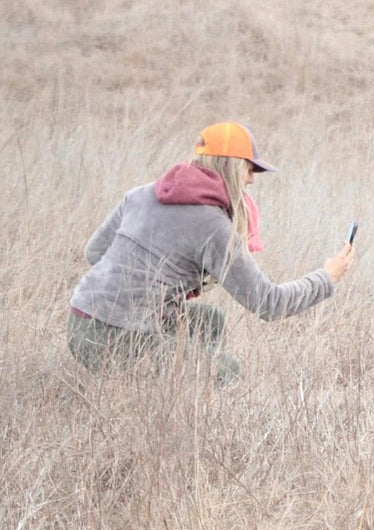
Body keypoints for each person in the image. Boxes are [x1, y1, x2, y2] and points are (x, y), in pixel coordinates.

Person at [67, 121, 355, 386]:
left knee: (209, 322)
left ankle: (168, 392)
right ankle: (154, 403)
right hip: (111, 338)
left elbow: (95, 252)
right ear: (230, 167)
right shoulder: (213, 226)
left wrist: (151, 292)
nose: (252, 180)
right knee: (225, 371)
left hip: (78, 322)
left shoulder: (141, 194)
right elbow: (270, 303)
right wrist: (327, 277)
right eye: (249, 169)